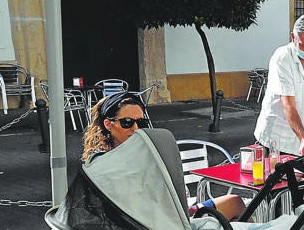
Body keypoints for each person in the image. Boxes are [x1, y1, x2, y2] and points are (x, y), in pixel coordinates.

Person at [83, 92, 245, 221]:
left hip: (166, 217)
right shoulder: (105, 162)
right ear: (108, 124)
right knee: (235, 205)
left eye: (141, 122)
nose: (136, 128)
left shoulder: (140, 150)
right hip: (158, 226)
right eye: (127, 122)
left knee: (234, 201)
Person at [255, 14, 304, 157]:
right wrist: (303, 138)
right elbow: (288, 105)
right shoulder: (282, 58)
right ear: (293, 37)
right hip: (277, 140)